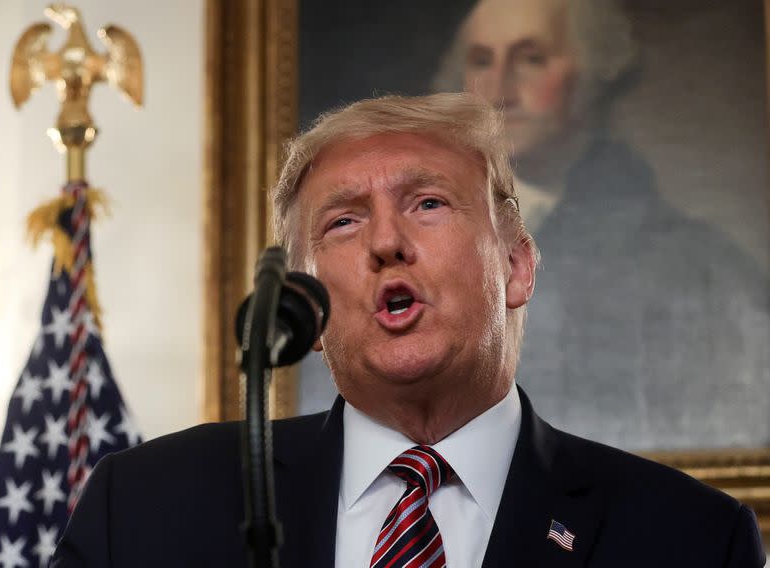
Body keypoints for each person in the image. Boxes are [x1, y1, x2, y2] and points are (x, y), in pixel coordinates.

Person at [51, 94, 764, 567]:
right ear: (307, 304)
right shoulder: (144, 509)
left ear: (516, 267)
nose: (386, 242)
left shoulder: (691, 539)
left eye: (427, 203)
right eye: (344, 220)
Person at [433, 0, 770, 449]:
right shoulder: (417, 248)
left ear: (595, 73)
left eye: (531, 58)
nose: (499, 87)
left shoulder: (699, 265)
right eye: (481, 60)